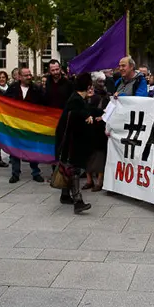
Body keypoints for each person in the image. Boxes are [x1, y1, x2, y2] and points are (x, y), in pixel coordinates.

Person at [55, 73, 99, 212]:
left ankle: (65, 195)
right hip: (70, 141)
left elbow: (83, 111)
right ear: (87, 85)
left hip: (69, 139)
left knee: (68, 167)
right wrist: (86, 116)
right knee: (73, 169)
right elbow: (75, 115)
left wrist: (93, 113)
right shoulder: (76, 100)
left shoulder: (78, 98)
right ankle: (78, 201)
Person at [5, 68, 46, 184]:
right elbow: (5, 102)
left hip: (31, 125)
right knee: (14, 150)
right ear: (20, 77)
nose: (29, 77)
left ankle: (36, 172)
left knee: (33, 149)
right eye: (26, 75)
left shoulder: (36, 89)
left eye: (30, 75)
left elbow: (43, 105)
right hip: (16, 125)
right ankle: (15, 173)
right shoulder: (13, 88)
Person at [84, 71, 110, 193]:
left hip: (100, 129)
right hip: (88, 127)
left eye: (103, 81)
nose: (102, 83)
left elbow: (108, 110)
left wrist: (103, 116)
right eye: (99, 81)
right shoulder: (88, 94)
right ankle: (89, 180)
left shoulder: (106, 95)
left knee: (100, 154)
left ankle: (100, 180)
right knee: (87, 153)